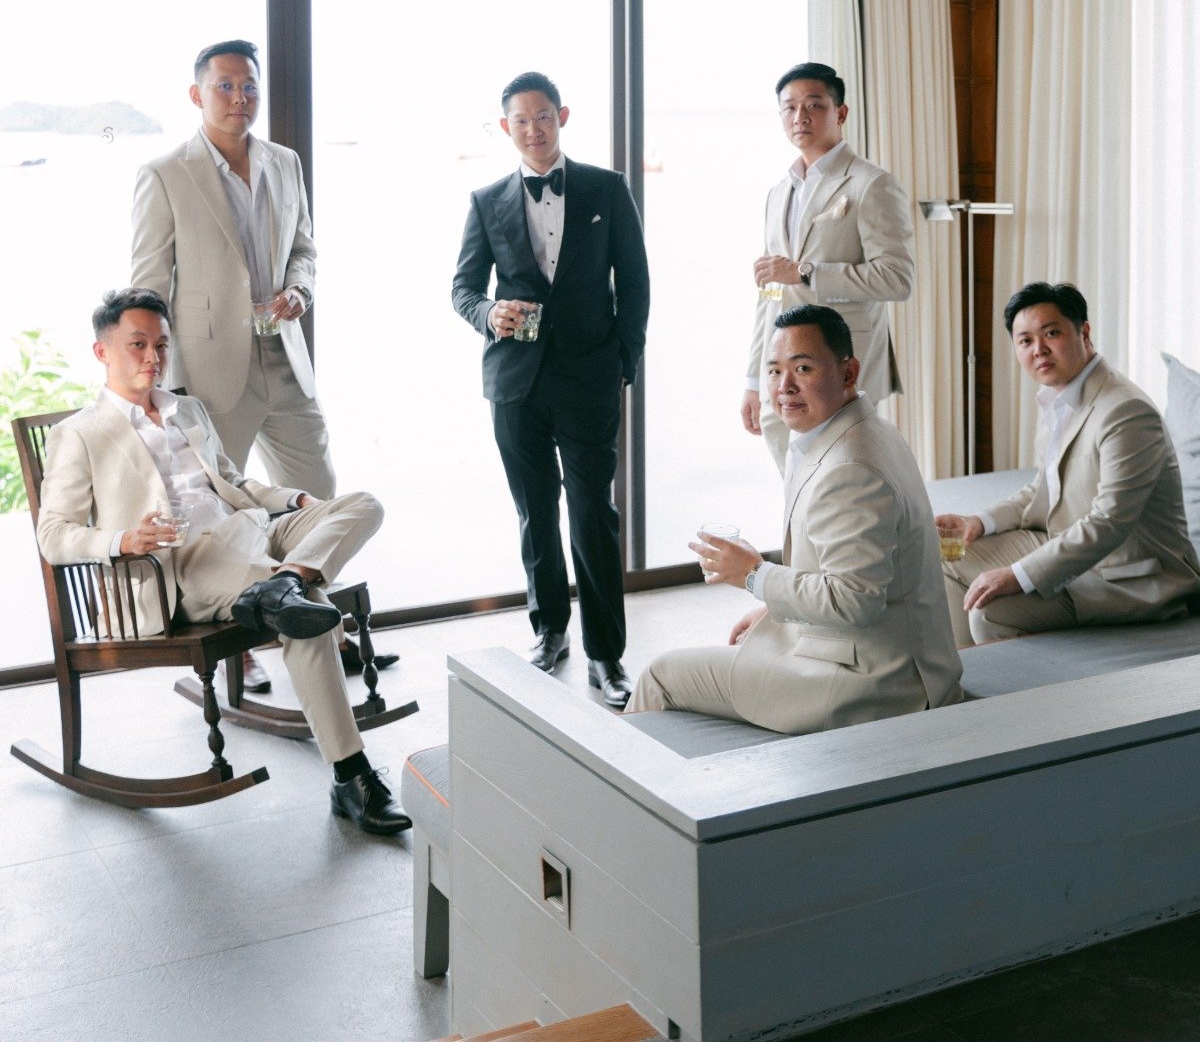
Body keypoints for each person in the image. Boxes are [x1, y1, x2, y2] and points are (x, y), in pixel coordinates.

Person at [35, 289, 409, 837]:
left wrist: (294, 501)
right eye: (137, 344)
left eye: (161, 345)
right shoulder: (81, 433)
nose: (152, 358)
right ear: (102, 352)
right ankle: (351, 776)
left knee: (362, 505)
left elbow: (234, 485)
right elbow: (53, 535)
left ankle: (284, 584)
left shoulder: (187, 409)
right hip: (181, 563)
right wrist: (123, 540)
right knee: (309, 609)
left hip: (255, 531)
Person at [131, 41, 391, 689]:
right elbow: (148, 284)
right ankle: (232, 642)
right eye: (225, 86)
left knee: (323, 495)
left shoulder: (285, 162)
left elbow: (303, 247)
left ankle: (320, 624)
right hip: (210, 370)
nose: (240, 98)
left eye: (249, 86)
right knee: (216, 511)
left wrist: (298, 290)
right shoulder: (167, 173)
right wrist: (154, 379)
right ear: (197, 95)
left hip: (285, 358)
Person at [629, 305, 962, 732]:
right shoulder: (863, 429)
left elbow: (854, 599)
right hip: (893, 656)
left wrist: (754, 574)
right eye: (773, 371)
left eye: (802, 368)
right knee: (741, 644)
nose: (784, 386)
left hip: (877, 681)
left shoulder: (850, 467)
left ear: (848, 373)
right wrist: (774, 607)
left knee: (660, 674)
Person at [452, 72, 650, 709]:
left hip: (590, 377)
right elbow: (463, 289)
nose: (533, 129)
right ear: (506, 127)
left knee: (593, 512)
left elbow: (636, 283)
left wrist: (625, 360)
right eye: (520, 121)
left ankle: (607, 655)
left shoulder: (606, 188)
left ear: (561, 116)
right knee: (535, 510)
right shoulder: (485, 201)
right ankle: (549, 631)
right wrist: (490, 316)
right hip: (514, 382)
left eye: (543, 117)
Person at [937, 281, 1200, 647]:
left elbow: (1110, 522)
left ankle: (1005, 702)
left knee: (991, 610)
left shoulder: (1125, 411)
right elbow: (1041, 487)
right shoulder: (1057, 397)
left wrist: (1017, 575)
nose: (1039, 350)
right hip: (1067, 546)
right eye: (1025, 341)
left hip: (1129, 576)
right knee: (944, 555)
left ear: (1084, 332)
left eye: (1052, 333)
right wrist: (978, 522)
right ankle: (960, 686)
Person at [742, 63, 914, 474]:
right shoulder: (778, 192)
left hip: (842, 369)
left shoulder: (871, 184)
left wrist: (806, 272)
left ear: (841, 112)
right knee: (796, 491)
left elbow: (897, 277)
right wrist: (753, 380)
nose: (800, 116)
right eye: (790, 107)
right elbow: (769, 292)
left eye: (814, 105)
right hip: (783, 376)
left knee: (843, 480)